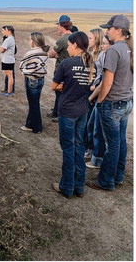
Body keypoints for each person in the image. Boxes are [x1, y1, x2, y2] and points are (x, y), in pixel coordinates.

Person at [86, 15, 133, 191]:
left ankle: (106, 181)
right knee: (120, 141)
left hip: (112, 102)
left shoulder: (114, 50)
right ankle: (118, 176)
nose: (106, 31)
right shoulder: (130, 48)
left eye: (109, 28)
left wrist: (100, 100)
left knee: (112, 144)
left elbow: (107, 81)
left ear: (119, 30)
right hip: (126, 100)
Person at [51, 31, 96, 198]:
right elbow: (88, 85)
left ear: (75, 45)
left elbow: (54, 86)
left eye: (69, 45)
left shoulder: (67, 63)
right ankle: (79, 186)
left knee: (68, 148)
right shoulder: (92, 64)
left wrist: (66, 86)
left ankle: (67, 186)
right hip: (82, 111)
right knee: (79, 147)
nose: (68, 48)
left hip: (67, 111)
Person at [86, 35, 114, 169]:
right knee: (93, 126)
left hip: (103, 97)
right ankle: (93, 154)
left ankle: (97, 159)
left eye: (105, 44)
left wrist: (93, 97)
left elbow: (103, 82)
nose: (103, 46)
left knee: (98, 129)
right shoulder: (105, 54)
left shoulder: (108, 57)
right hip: (101, 95)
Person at [19, 32, 50, 133]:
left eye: (30, 39)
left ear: (34, 41)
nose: (29, 41)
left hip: (31, 80)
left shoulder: (30, 53)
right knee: (34, 102)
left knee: (33, 104)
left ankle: (37, 127)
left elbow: (21, 65)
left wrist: (25, 71)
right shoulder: (45, 52)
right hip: (40, 80)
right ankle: (29, 124)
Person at [47, 15, 72, 122]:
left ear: (61, 25)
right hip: (71, 70)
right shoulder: (73, 36)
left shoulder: (62, 40)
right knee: (64, 93)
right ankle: (56, 111)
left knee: (60, 93)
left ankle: (59, 114)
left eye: (58, 24)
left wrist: (56, 55)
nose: (57, 27)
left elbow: (51, 54)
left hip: (61, 70)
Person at [84, 28, 104, 159]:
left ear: (97, 39)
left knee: (93, 125)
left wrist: (94, 87)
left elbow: (103, 76)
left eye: (90, 38)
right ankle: (89, 148)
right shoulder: (91, 52)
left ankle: (93, 151)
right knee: (88, 122)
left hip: (96, 92)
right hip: (89, 89)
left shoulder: (102, 54)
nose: (88, 40)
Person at [0, 25, 16, 97]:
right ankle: (9, 91)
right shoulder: (11, 38)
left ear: (8, 30)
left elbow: (1, 50)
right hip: (9, 60)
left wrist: (1, 48)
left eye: (3, 30)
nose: (2, 32)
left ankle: (9, 92)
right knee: (10, 76)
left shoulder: (8, 39)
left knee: (10, 76)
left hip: (7, 60)